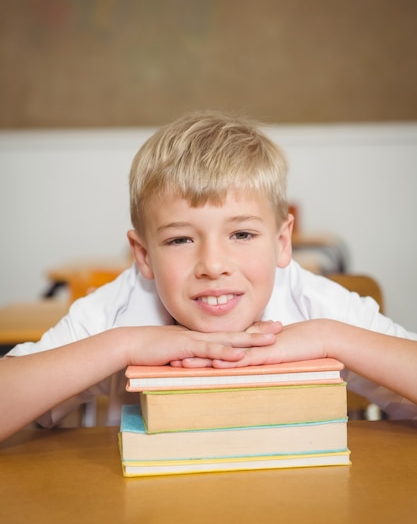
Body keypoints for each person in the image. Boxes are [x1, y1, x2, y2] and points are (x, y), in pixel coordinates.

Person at [1, 110, 416, 442]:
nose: (213, 265)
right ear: (143, 255)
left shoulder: (314, 302)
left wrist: (332, 338)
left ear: (282, 241)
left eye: (241, 234)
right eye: (181, 240)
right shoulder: (121, 307)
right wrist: (123, 345)